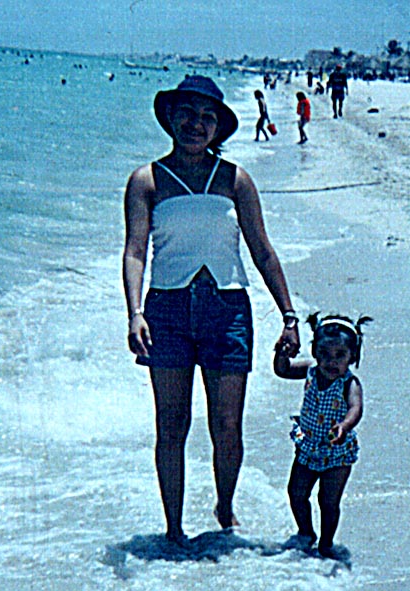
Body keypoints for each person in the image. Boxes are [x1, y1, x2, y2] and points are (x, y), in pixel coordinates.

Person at [123, 75, 301, 542]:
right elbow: (136, 251)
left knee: (227, 426)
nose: (195, 124)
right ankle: (175, 528)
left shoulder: (235, 179)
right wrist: (134, 312)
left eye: (207, 117)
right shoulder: (146, 180)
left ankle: (224, 506)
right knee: (172, 425)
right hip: (167, 312)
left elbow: (262, 250)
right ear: (170, 118)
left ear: (219, 127)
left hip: (228, 310)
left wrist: (289, 314)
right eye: (186, 113)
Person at [273, 313, 370, 558]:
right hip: (308, 446)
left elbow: (356, 408)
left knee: (328, 502)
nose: (331, 361)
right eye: (324, 354)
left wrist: (344, 426)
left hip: (337, 452)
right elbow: (282, 371)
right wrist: (281, 354)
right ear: (315, 352)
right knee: (296, 493)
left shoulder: (350, 384)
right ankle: (306, 533)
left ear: (353, 356)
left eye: (340, 355)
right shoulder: (310, 371)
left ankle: (326, 542)